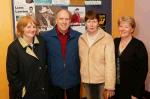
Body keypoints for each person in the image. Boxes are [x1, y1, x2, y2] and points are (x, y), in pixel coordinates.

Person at [41, 9, 81, 99]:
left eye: (67, 19)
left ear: (70, 21)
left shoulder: (79, 37)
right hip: (54, 82)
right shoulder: (45, 37)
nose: (64, 22)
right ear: (56, 20)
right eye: (61, 19)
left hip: (74, 81)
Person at [6, 16, 49, 99]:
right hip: (26, 94)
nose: (32, 29)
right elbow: (12, 75)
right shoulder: (14, 48)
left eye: (34, 27)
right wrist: (22, 91)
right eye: (28, 27)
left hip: (42, 91)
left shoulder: (42, 41)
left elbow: (45, 65)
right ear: (21, 28)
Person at [78, 10, 116, 99]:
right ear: (85, 23)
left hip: (101, 81)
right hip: (86, 81)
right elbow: (81, 60)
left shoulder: (107, 38)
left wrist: (110, 85)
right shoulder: (81, 39)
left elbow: (110, 63)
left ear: (98, 23)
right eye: (89, 21)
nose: (91, 24)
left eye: (94, 21)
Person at [114, 16, 148, 99]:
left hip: (132, 89)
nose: (123, 29)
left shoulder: (139, 45)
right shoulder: (115, 42)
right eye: (121, 26)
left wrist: (136, 93)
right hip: (116, 88)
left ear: (132, 29)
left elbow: (143, 71)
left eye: (126, 27)